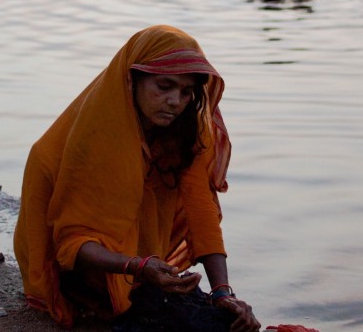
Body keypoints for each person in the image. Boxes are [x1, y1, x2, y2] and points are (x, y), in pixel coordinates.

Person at [14, 25, 261, 332]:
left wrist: (223, 291)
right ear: (132, 79)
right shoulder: (98, 137)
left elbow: (202, 211)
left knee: (222, 319)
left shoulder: (186, 132)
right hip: (69, 267)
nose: (175, 101)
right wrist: (137, 266)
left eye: (186, 92)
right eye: (164, 86)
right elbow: (72, 245)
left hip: (137, 264)